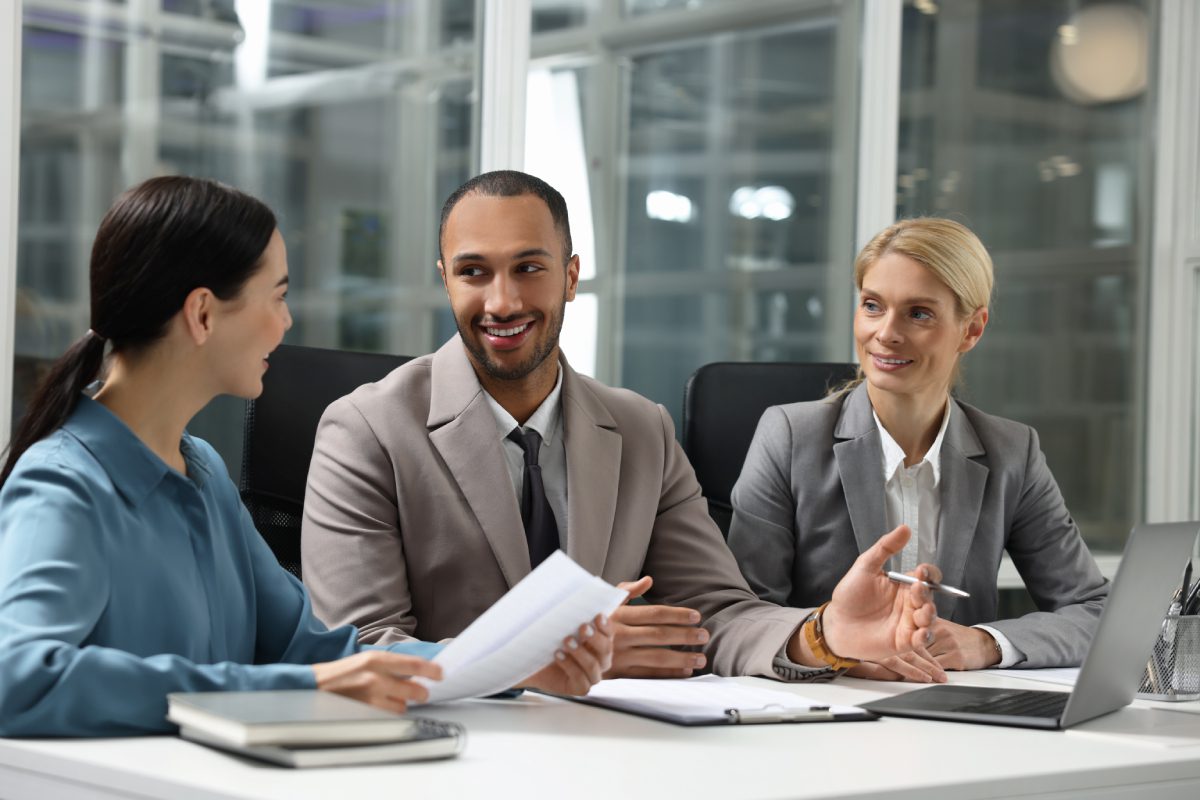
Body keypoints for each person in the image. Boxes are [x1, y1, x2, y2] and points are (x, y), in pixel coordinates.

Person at [0, 176, 611, 738]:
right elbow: (17, 678)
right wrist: (295, 687)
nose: (286, 323)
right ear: (204, 313)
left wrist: (515, 663)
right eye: (277, 296)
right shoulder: (63, 484)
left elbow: (318, 653)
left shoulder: (203, 473)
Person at [301, 170, 941, 683]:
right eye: (474, 272)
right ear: (445, 280)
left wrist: (823, 635)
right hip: (449, 759)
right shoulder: (365, 430)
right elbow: (361, 650)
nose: (502, 302)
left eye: (529, 268)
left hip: (614, 759)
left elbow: (715, 612)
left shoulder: (641, 429)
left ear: (571, 276)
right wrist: (554, 654)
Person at [727, 217, 1109, 682]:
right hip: (826, 707)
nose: (886, 333)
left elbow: (1095, 610)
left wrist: (985, 644)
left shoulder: (1012, 451)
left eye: (918, 313)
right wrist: (833, 646)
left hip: (955, 708)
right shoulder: (789, 436)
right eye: (872, 306)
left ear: (971, 330)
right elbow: (740, 617)